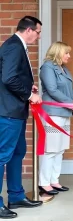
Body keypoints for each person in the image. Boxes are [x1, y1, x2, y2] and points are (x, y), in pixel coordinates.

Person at [0, 16, 43, 219]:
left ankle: (16, 195)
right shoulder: (14, 46)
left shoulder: (18, 45)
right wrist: (29, 95)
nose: (39, 36)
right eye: (38, 32)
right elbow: (8, 78)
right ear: (28, 30)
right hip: (8, 111)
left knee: (18, 152)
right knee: (2, 156)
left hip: (15, 110)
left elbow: (13, 76)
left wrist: (28, 87)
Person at [38, 42, 73, 196]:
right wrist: (70, 103)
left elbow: (71, 90)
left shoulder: (64, 69)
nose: (69, 56)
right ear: (58, 52)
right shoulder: (48, 67)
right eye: (66, 53)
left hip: (65, 112)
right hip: (53, 113)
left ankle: (54, 180)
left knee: (60, 149)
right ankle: (44, 183)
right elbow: (52, 90)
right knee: (51, 149)